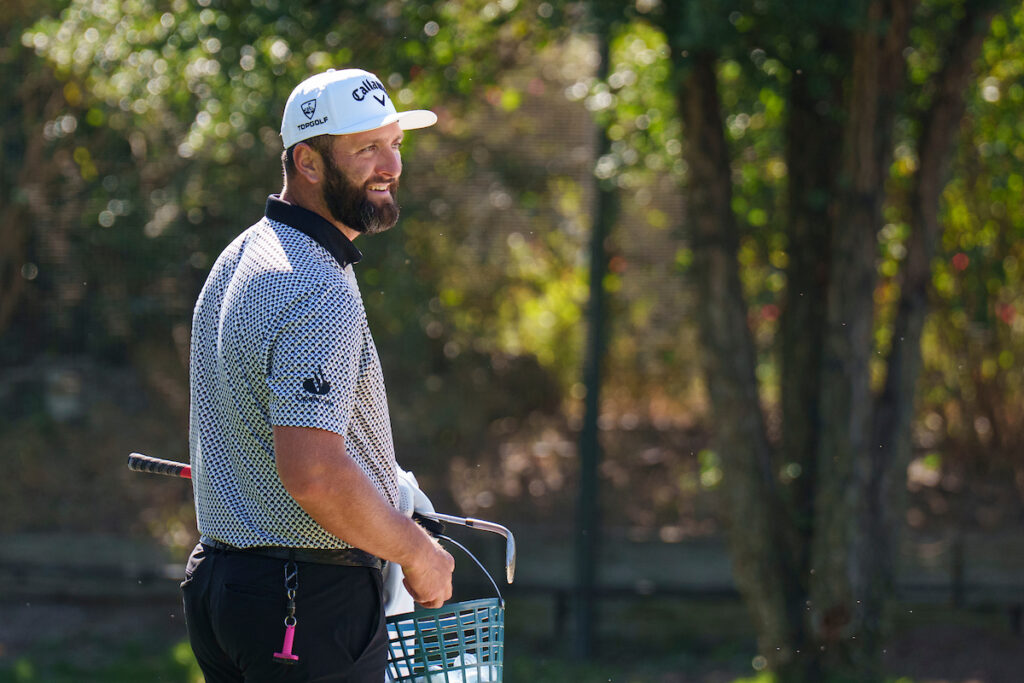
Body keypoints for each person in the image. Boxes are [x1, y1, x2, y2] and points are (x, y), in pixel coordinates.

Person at [181, 68, 455, 683]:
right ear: (307, 161)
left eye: (395, 143)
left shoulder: (242, 255)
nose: (390, 165)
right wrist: (416, 551)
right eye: (366, 148)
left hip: (225, 588)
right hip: (304, 602)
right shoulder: (315, 284)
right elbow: (314, 472)